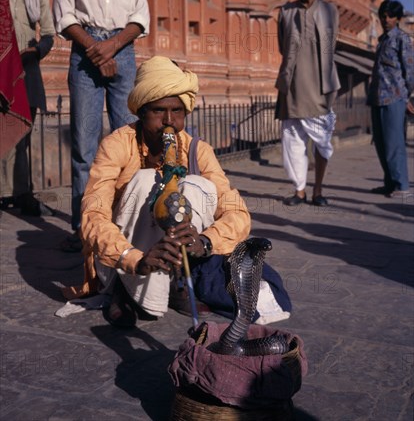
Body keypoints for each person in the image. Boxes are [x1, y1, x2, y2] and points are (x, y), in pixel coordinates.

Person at [60, 56, 292, 328]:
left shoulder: (198, 150)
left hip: (181, 255)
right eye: (158, 111)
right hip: (127, 257)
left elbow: (237, 212)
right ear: (141, 111)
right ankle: (124, 289)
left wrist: (205, 242)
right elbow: (92, 214)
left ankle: (180, 280)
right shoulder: (117, 145)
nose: (168, 122)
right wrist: (135, 259)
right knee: (147, 180)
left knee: (198, 187)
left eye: (177, 112)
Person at [53, 0, 150, 251]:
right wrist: (96, 50)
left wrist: (111, 47)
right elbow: (64, 15)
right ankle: (84, 228)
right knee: (84, 145)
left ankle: (126, 223)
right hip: (85, 52)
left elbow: (140, 18)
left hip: (122, 52)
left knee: (128, 143)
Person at [275, 0, 340, 207]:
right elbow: (284, 46)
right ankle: (300, 190)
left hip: (321, 89)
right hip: (292, 88)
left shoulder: (329, 10)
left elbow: (331, 46)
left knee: (322, 142)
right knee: (292, 142)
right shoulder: (286, 11)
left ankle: (318, 190)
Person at [0, 0, 55, 216]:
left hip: (27, 71)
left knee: (22, 135)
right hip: (0, 73)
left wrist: (35, 50)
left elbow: (48, 34)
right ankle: (2, 194)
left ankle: (23, 193)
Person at [367, 0, 414, 197]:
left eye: (390, 16)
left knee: (394, 144)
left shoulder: (402, 39)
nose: (386, 19)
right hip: (377, 98)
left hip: (394, 99)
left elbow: (410, 71)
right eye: (383, 15)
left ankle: (402, 185)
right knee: (381, 143)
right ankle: (389, 183)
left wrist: (408, 96)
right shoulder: (382, 40)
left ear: (398, 19)